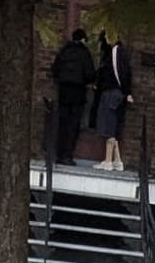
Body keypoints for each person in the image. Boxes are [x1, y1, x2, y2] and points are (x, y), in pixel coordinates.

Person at [51, 28, 95, 165]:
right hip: (78, 93)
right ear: (83, 39)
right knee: (74, 124)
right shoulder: (84, 53)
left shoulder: (64, 51)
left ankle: (58, 154)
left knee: (62, 122)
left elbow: (55, 69)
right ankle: (68, 155)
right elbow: (90, 74)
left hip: (64, 91)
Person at [93, 34, 133, 172]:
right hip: (116, 92)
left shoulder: (115, 52)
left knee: (108, 125)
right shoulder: (120, 52)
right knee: (113, 126)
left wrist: (126, 91)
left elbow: (122, 73)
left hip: (112, 92)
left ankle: (108, 160)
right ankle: (117, 160)